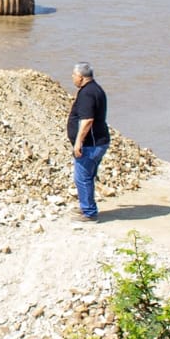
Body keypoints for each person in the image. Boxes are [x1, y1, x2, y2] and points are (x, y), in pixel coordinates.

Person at [67, 61, 110, 222]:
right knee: (88, 176)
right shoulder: (96, 89)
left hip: (91, 144)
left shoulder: (86, 93)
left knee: (82, 177)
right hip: (99, 141)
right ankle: (87, 206)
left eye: (73, 75)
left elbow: (87, 121)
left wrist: (78, 143)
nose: (72, 78)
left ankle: (89, 213)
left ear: (81, 77)